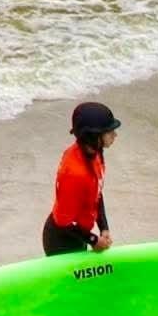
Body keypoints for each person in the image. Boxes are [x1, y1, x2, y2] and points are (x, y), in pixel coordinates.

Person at [42, 102, 120, 256]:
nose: (114, 135)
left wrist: (104, 227)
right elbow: (63, 222)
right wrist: (93, 240)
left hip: (79, 235)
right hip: (61, 242)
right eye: (109, 131)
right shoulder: (74, 173)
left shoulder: (94, 154)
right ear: (93, 136)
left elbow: (96, 193)